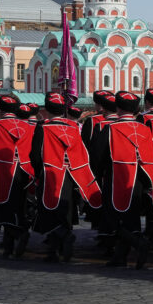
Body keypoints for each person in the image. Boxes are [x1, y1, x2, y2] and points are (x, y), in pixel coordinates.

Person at [91, 91, 153, 269]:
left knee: (113, 219)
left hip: (116, 176)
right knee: (130, 218)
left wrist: (97, 175)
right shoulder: (144, 129)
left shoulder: (110, 129)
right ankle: (120, 256)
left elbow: (97, 156)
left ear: (118, 108)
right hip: (138, 180)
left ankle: (139, 243)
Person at [31, 92, 103, 262]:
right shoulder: (72, 127)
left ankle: (61, 239)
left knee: (48, 210)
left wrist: (38, 172)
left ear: (47, 110)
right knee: (65, 209)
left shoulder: (43, 127)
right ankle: (58, 247)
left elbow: (36, 154)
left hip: (51, 172)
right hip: (72, 174)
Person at [0, 95, 36, 258]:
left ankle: (16, 235)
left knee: (4, 205)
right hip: (25, 170)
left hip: (4, 170)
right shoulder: (26, 126)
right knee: (20, 205)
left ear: (1, 109)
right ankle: (10, 243)